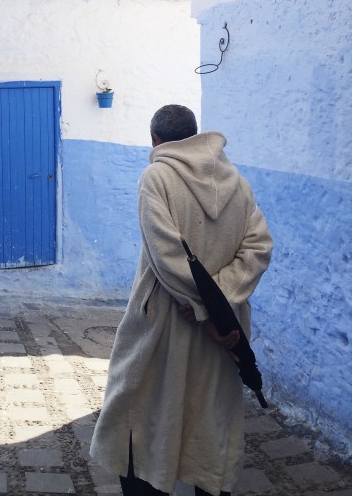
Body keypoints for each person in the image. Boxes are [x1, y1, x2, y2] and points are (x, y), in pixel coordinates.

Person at [90, 105, 273, 496]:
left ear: (156, 140)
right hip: (223, 334)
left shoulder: (156, 177)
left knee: (139, 415)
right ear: (193, 135)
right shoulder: (237, 183)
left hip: (164, 325)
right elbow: (258, 248)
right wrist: (220, 305)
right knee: (208, 423)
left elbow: (166, 257)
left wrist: (204, 310)